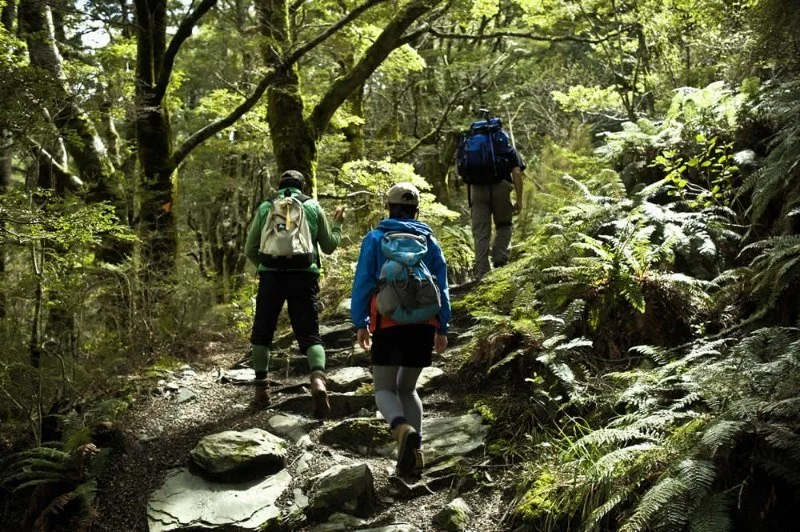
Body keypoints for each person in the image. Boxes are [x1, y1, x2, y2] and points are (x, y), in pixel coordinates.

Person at [351, 182, 451, 476]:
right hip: (423, 325)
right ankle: (414, 455)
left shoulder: (375, 238)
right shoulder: (429, 242)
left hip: (388, 323)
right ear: (416, 210)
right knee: (408, 389)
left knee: (383, 388)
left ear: (390, 208)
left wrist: (361, 323)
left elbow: (364, 282)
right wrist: (442, 326)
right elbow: (442, 287)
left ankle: (401, 428)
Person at [244, 169, 345, 416]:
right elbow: (330, 246)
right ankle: (319, 380)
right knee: (310, 333)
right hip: (304, 275)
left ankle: (261, 392)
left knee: (262, 332)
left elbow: (250, 248)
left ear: (280, 186)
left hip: (271, 276)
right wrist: (338, 223)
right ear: (303, 186)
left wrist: (266, 265)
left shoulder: (267, 207)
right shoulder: (312, 206)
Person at [469, 129, 525, 279]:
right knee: (504, 224)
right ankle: (500, 259)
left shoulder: (473, 149)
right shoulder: (506, 149)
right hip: (501, 187)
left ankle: (482, 272)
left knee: (481, 231)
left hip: (477, 189)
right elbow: (517, 173)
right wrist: (519, 199)